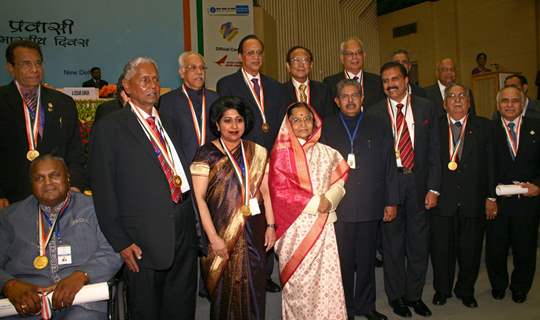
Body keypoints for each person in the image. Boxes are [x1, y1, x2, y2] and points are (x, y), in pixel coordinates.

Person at [90, 57, 199, 319]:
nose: (153, 85)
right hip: (142, 238)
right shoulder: (111, 127)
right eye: (145, 80)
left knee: (181, 304)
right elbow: (103, 190)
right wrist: (120, 241)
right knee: (147, 309)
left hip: (182, 225)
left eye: (156, 80)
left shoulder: (168, 124)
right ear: (126, 86)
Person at [0, 155, 122, 319]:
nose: (48, 182)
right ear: (31, 184)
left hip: (83, 300)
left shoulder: (94, 208)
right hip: (25, 303)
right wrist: (9, 285)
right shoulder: (9, 217)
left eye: (55, 175)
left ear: (68, 178)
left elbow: (114, 249)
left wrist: (83, 275)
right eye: (39, 178)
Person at [190, 96, 276, 319]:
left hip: (254, 232)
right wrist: (213, 238)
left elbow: (266, 192)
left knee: (255, 288)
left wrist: (271, 225)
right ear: (217, 124)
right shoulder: (206, 154)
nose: (234, 126)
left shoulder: (257, 152)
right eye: (227, 120)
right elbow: (199, 199)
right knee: (224, 292)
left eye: (238, 120)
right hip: (220, 232)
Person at [369, 61, 440, 318]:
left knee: (419, 243)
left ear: (406, 79)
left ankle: (414, 295)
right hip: (391, 185)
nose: (391, 84)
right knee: (392, 245)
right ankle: (396, 296)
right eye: (385, 80)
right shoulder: (374, 112)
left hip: (419, 184)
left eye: (395, 78)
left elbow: (434, 151)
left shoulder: (426, 107)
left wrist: (434, 188)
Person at [322, 79, 398, 320]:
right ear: (337, 101)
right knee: (342, 262)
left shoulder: (379, 124)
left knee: (366, 260)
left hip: (370, 202)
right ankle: (345, 309)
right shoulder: (326, 128)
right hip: (339, 205)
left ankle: (366, 306)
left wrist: (391, 201)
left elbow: (389, 166)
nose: (350, 100)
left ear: (362, 97)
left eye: (355, 95)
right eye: (345, 96)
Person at [216, 34, 286, 292]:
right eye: (250, 53)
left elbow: (280, 127)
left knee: (267, 218)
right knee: (244, 218)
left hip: (272, 163)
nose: (255, 57)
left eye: (259, 52)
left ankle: (265, 273)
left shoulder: (277, 87)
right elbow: (225, 123)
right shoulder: (227, 84)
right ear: (240, 57)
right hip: (242, 162)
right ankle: (241, 269)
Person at [270, 101, 349, 320]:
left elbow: (341, 180)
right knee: (299, 282)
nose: (303, 123)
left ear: (315, 121)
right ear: (288, 124)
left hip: (323, 225)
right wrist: (316, 204)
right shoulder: (280, 155)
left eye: (307, 118)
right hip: (294, 229)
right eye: (296, 119)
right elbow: (280, 192)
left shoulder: (328, 152)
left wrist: (329, 201)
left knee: (326, 280)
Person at [430, 83, 496, 309]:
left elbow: (491, 165)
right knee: (441, 251)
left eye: (462, 96)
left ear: (469, 102)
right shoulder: (433, 127)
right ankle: (442, 289)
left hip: (473, 200)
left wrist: (491, 197)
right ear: (444, 103)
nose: (457, 100)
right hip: (442, 200)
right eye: (451, 96)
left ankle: (466, 290)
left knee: (471, 250)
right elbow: (428, 164)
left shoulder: (484, 127)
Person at [0, 40, 86, 208]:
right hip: (11, 199)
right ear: (10, 68)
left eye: (38, 63)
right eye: (26, 64)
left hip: (59, 196)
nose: (34, 69)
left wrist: (75, 185)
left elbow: (75, 151)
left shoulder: (63, 103)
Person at [487, 85, 540, 304]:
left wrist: (539, 185)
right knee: (496, 248)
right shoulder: (487, 130)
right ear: (498, 105)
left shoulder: (537, 127)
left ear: (523, 103)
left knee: (525, 248)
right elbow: (483, 168)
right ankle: (498, 285)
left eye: (515, 101)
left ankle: (520, 286)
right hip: (497, 202)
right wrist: (489, 197)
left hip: (527, 201)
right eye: (505, 101)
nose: (510, 105)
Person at [160, 51, 220, 162]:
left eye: (202, 68)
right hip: (183, 167)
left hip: (214, 166)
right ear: (182, 72)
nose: (199, 72)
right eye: (193, 68)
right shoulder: (167, 101)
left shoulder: (216, 99)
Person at [324, 37, 385, 112]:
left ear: (364, 56)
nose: (355, 57)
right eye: (350, 54)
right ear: (342, 58)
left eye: (359, 53)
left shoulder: (377, 81)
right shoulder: (330, 83)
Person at [283, 46, 333, 118]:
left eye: (305, 60)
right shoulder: (281, 91)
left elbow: (329, 118)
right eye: (296, 60)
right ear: (288, 66)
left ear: (311, 65)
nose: (301, 65)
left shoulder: (323, 90)